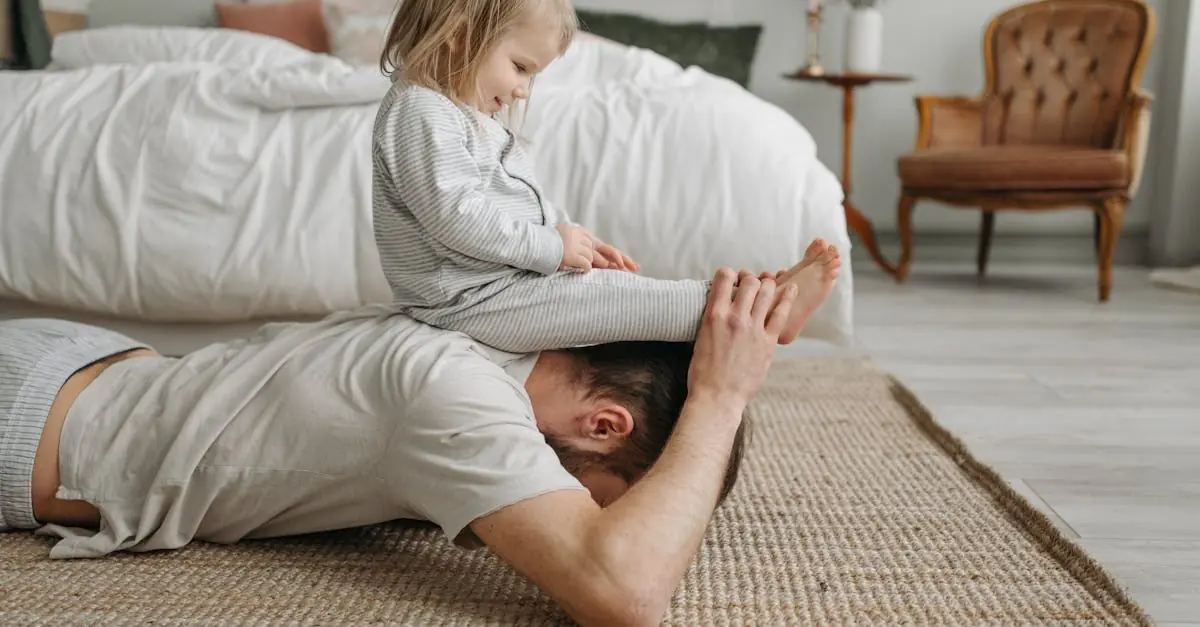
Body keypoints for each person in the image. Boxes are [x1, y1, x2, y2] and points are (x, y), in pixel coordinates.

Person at [0, 267, 825, 626]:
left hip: (84, 360)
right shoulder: (454, 397)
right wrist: (720, 394)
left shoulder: (494, 319)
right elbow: (624, 594)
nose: (575, 508)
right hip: (23, 421)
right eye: (600, 493)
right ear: (604, 425)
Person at [372, 0, 840, 353]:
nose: (520, 89)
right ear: (458, 33)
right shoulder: (419, 110)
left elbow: (515, 202)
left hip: (496, 284)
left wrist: (575, 244)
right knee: (617, 304)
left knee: (625, 291)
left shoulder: (464, 115)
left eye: (531, 76)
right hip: (463, 302)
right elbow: (457, 218)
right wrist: (553, 248)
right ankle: (759, 311)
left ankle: (751, 300)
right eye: (519, 67)